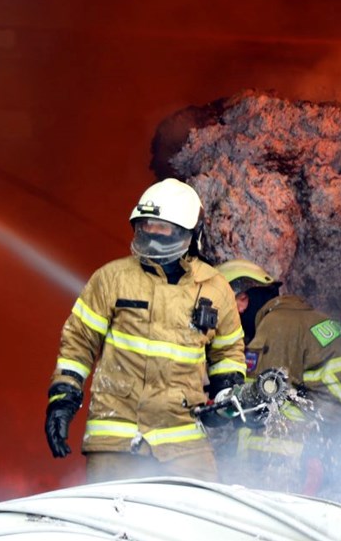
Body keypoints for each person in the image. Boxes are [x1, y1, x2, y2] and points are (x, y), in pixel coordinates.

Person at [44, 178, 247, 483]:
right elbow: (78, 343)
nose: (152, 236)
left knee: (199, 522)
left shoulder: (215, 288)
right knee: (112, 526)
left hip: (183, 441)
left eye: (162, 229)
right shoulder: (112, 279)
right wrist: (63, 400)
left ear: (189, 234)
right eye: (146, 227)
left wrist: (226, 393)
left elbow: (228, 352)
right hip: (116, 437)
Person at [216, 258, 341, 500]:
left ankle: (264, 495)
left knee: (255, 423)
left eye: (223, 309)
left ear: (242, 300)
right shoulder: (308, 318)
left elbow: (256, 397)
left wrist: (221, 403)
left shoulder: (275, 325)